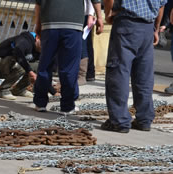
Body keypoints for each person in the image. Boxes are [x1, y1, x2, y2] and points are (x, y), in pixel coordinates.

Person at [101, 0, 167, 133]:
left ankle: (120, 121)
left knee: (119, 72)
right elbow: (161, 4)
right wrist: (156, 28)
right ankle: (144, 119)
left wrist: (108, 14)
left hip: (127, 23)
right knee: (144, 75)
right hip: (147, 26)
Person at [33, 0, 103, 114]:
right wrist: (99, 17)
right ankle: (67, 105)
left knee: (45, 65)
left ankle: (40, 103)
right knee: (69, 67)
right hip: (73, 25)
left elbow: (38, 3)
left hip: (50, 24)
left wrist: (38, 23)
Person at [0, 31, 43, 100]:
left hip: (10, 68)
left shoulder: (40, 50)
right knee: (21, 63)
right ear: (37, 38)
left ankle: (19, 90)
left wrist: (51, 91)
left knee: (38, 65)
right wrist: (30, 71)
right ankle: (3, 90)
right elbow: (18, 53)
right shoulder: (24, 40)